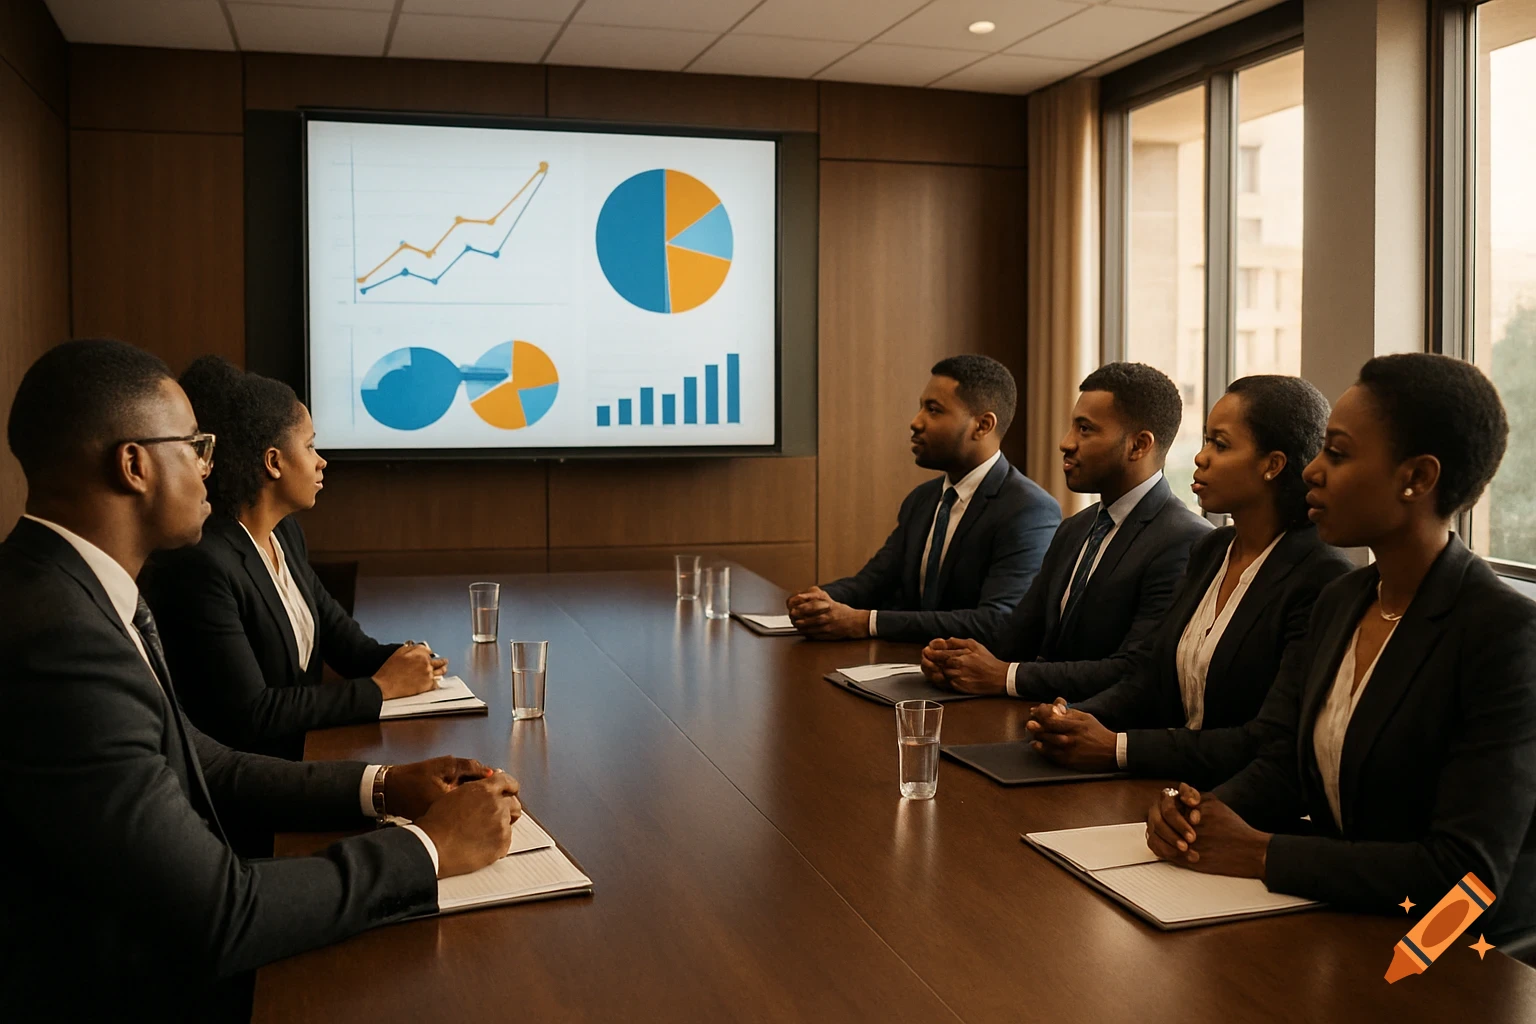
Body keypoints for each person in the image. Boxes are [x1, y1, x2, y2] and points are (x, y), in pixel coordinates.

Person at [1, 340, 522, 1021]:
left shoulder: (70, 590)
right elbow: (222, 913)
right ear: (135, 466)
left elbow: (204, 760)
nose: (211, 468)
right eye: (194, 446)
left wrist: (387, 785)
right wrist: (431, 848)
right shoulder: (59, 638)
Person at [1145, 353, 1536, 944]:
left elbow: (1466, 876)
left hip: (1449, 961)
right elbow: (1283, 766)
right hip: (1339, 923)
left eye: (1339, 453)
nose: (1311, 472)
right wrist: (1196, 813)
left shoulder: (1504, 634)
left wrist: (1263, 854)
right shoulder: (1343, 598)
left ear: (1419, 478)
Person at [1024, 375, 1353, 788]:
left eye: (1221, 444)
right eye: (1205, 441)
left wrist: (1117, 747)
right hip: (1163, 783)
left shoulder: (1321, 576)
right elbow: (1150, 678)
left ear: (1272, 465)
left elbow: (1269, 739)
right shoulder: (1212, 549)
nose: (1200, 458)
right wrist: (1074, 715)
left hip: (1239, 800)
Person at [142, 356, 440, 761]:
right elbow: (251, 713)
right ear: (273, 462)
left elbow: (348, 647)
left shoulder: (285, 533)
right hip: (258, 780)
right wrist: (382, 687)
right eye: (310, 445)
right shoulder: (204, 564)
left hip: (306, 755)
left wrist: (414, 658)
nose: (322, 460)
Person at [920, 362, 1211, 702]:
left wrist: (1006, 676)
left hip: (1097, 736)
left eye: (1085, 430)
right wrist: (957, 658)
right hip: (1036, 719)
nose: (1066, 443)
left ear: (1139, 446)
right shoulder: (1076, 527)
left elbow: (1133, 668)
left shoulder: (1185, 540)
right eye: (1073, 427)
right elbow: (1019, 635)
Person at [787, 355, 1059, 643]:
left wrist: (867, 622)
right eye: (921, 407)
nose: (916, 422)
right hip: (906, 667)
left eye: (933, 410)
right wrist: (818, 600)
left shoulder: (1028, 510)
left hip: (972, 680)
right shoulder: (923, 499)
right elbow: (874, 582)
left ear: (982, 426)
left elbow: (997, 621)